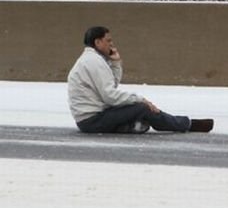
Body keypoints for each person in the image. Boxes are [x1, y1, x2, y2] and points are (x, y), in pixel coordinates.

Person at [67, 26, 214, 134]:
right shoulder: (94, 62)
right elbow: (110, 95)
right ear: (98, 42)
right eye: (108, 40)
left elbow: (111, 86)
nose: (111, 44)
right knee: (143, 108)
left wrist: (116, 63)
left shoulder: (90, 60)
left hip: (89, 119)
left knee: (137, 109)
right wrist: (141, 100)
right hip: (93, 120)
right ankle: (187, 124)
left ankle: (131, 127)